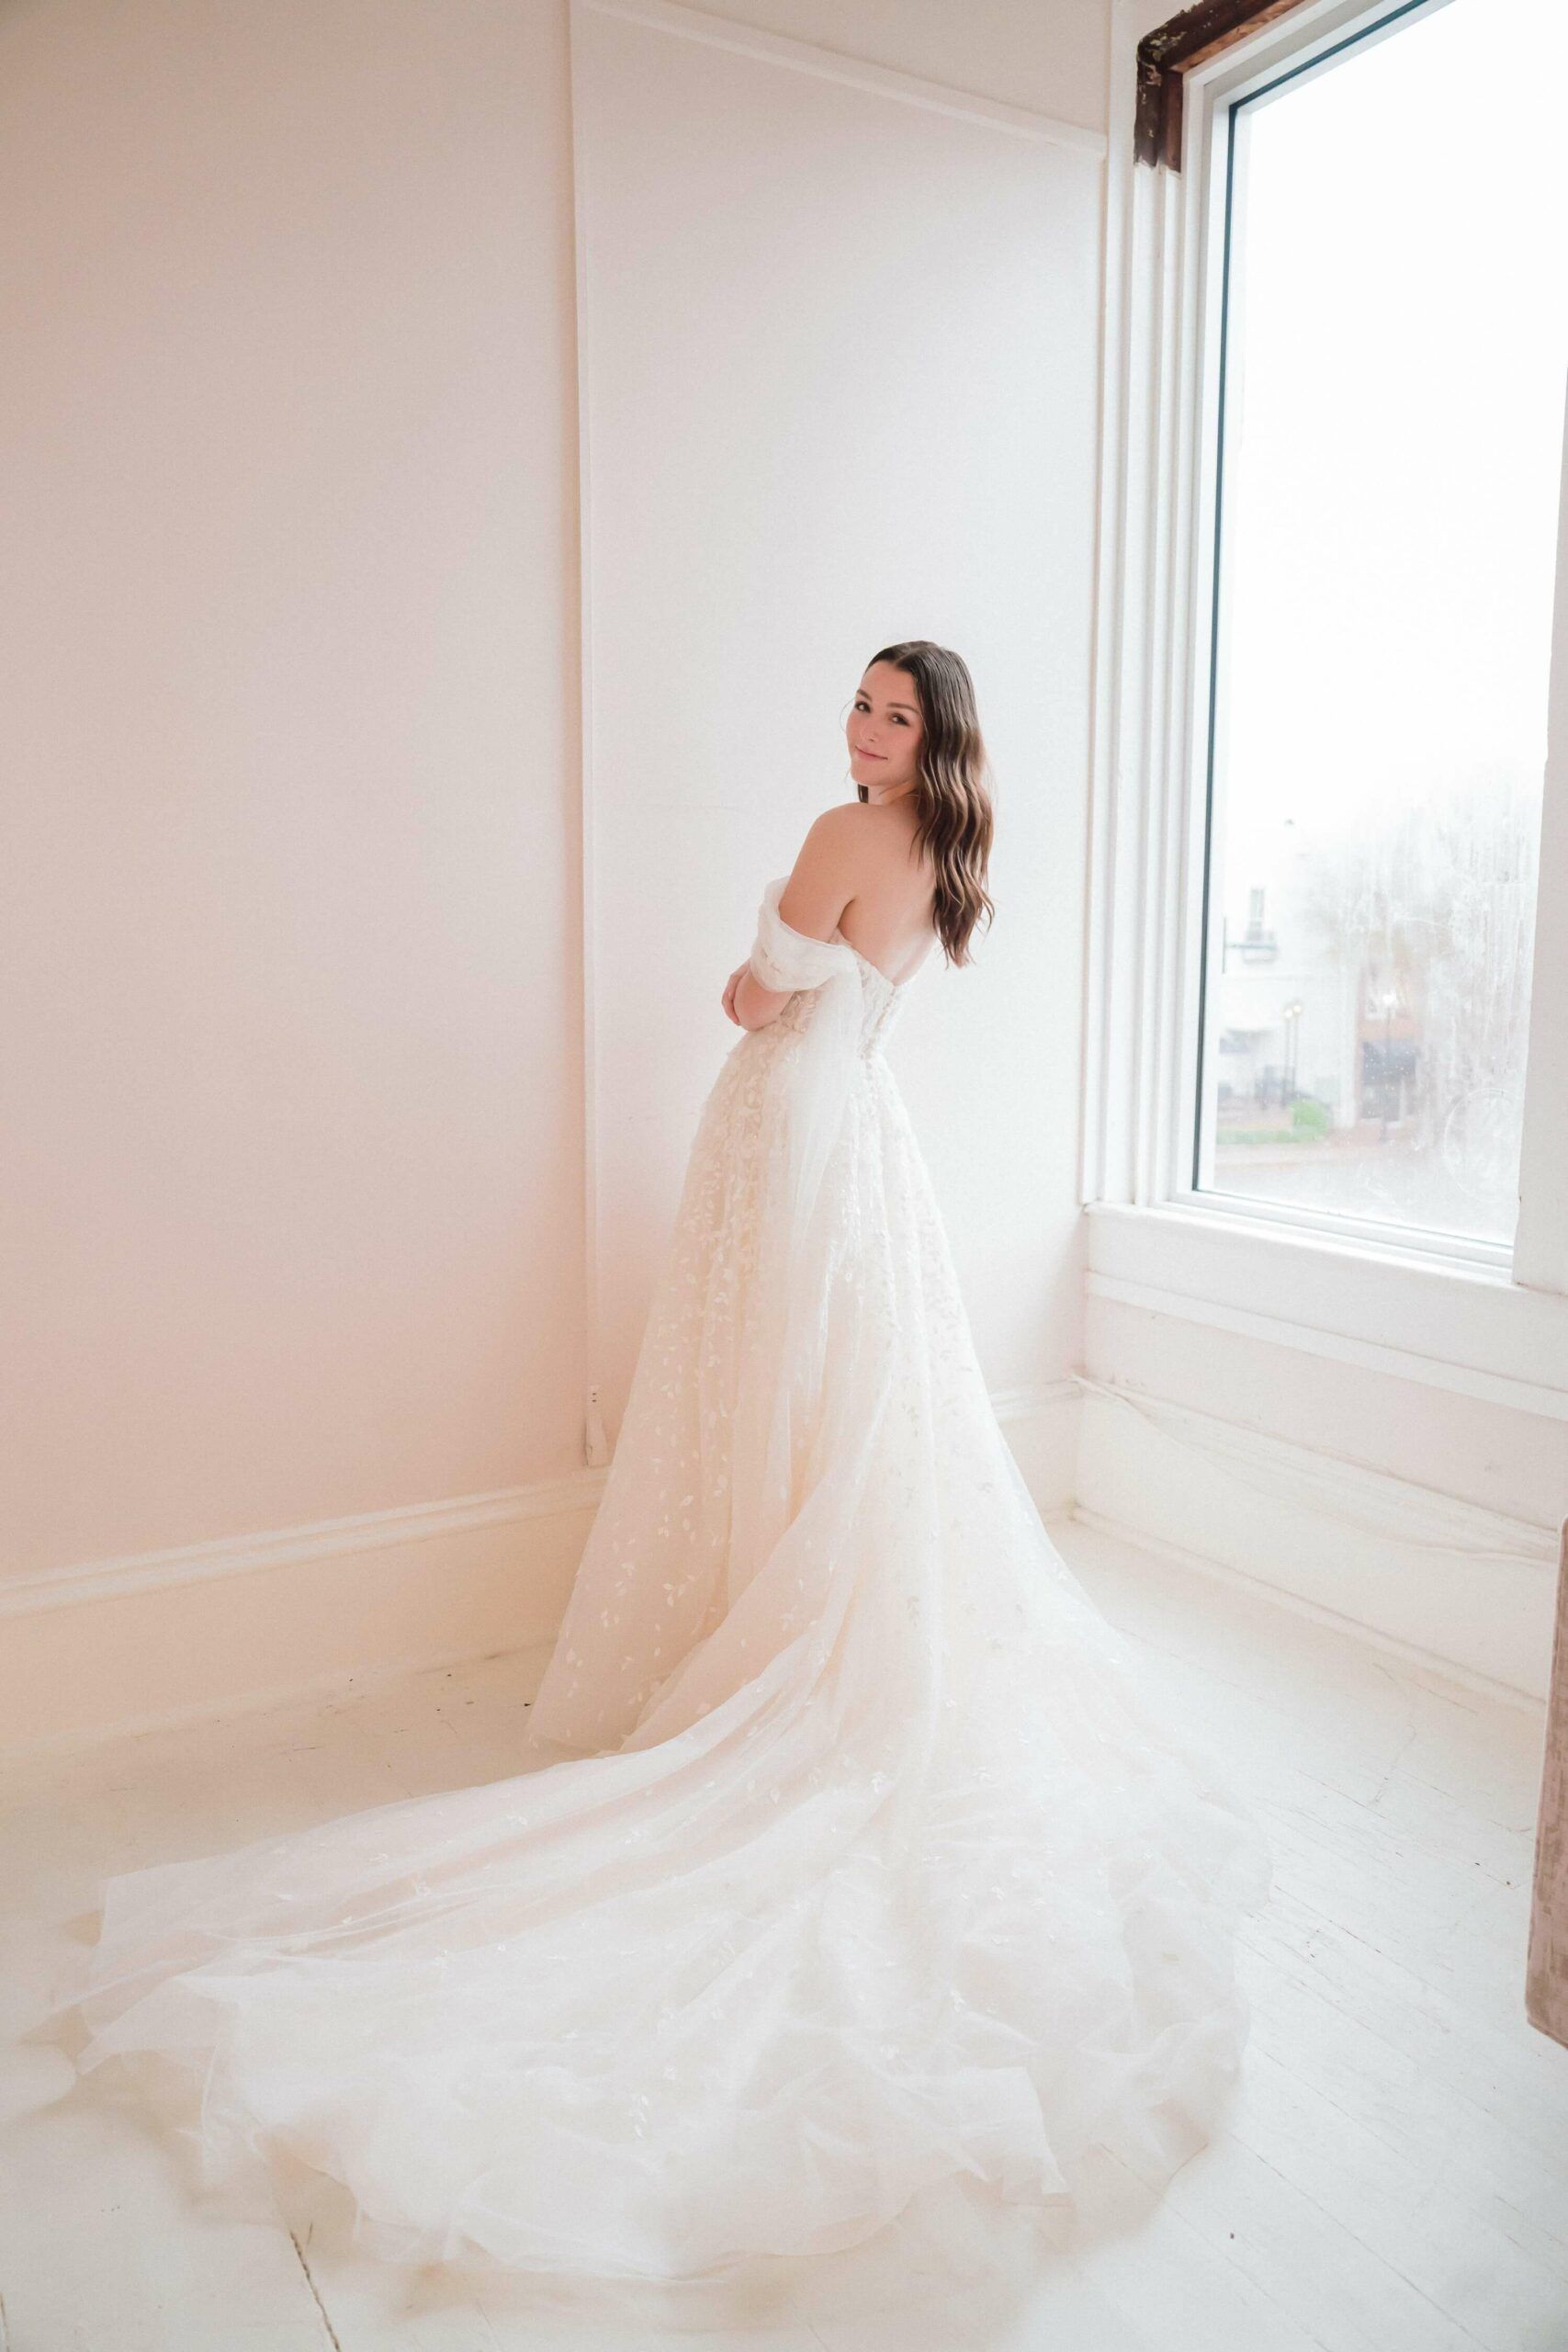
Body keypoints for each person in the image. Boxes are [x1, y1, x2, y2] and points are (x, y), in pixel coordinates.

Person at [36, 639, 1272, 2315]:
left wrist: (760, 968)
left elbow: (751, 999)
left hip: (791, 1119)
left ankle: (745, 1632)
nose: (865, 730)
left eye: (894, 715)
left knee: (763, 1376)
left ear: (933, 737)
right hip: (868, 1128)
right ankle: (776, 1600)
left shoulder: (840, 841)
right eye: (860, 704)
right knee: (842, 1394)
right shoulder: (943, 857)